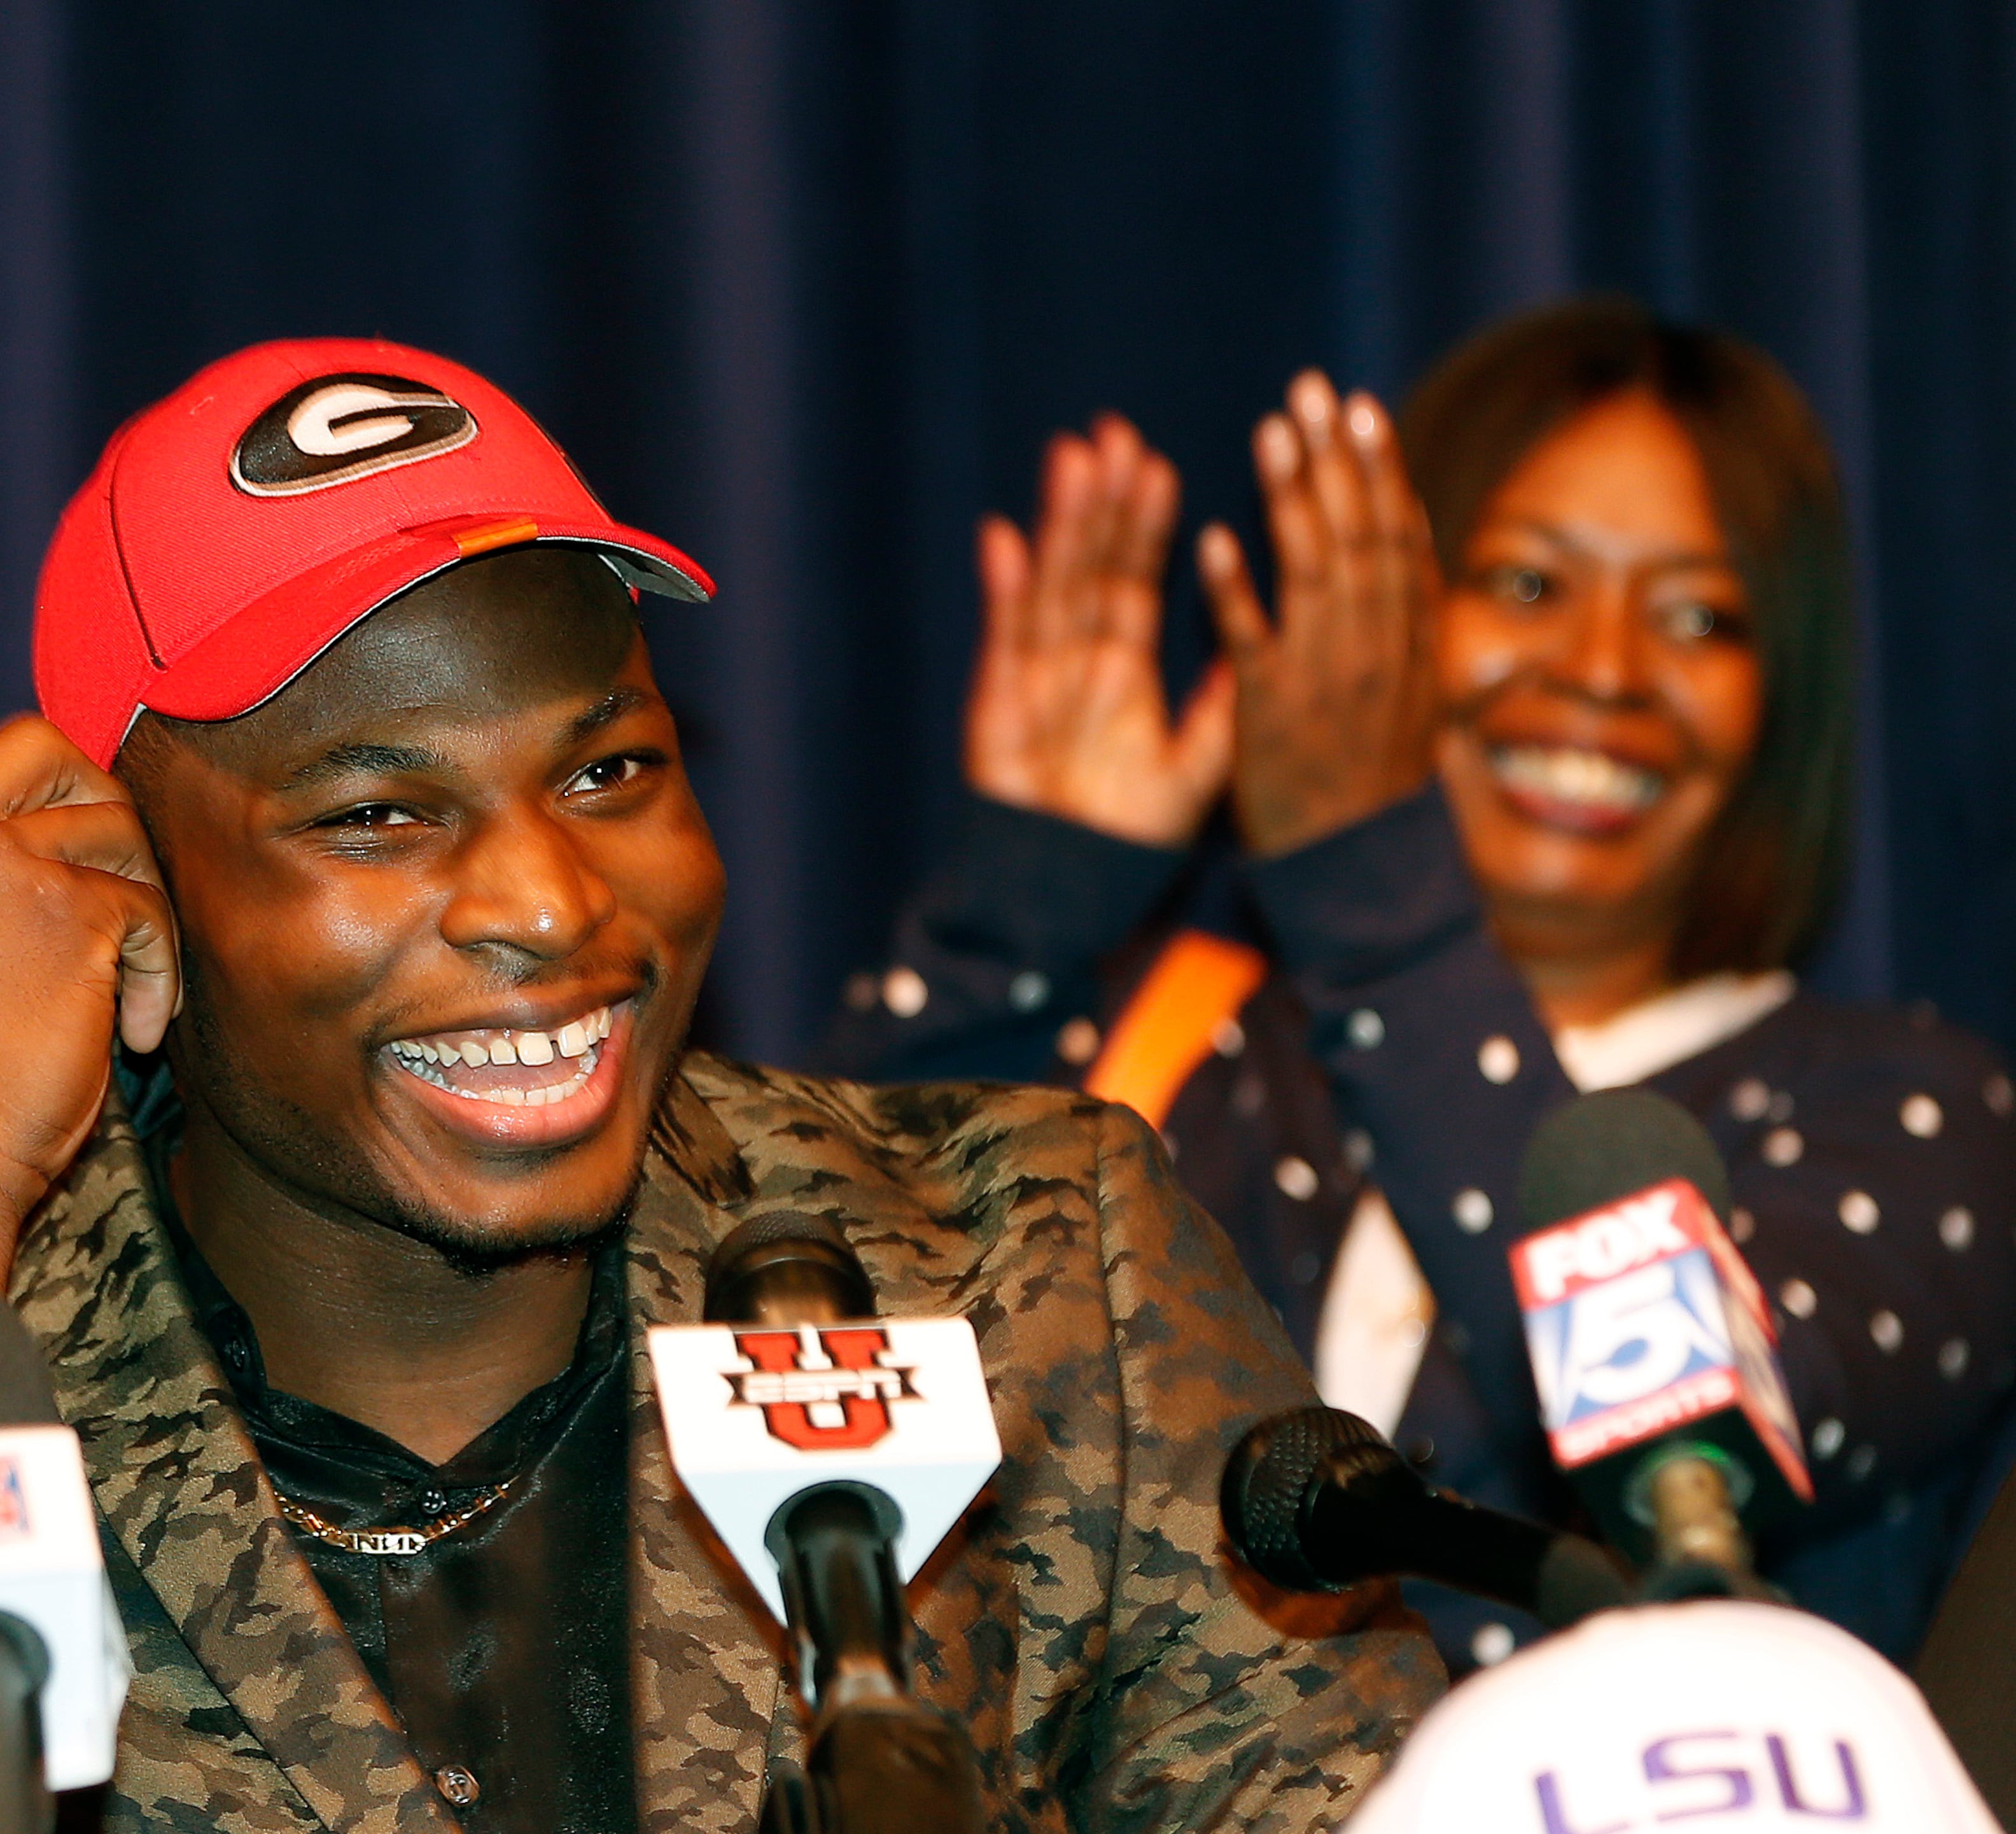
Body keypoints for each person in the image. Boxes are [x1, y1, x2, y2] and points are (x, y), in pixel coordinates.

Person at [0, 339, 1440, 1830]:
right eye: (381, 812)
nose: (555, 900)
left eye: (612, 771)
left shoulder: (1027, 1266)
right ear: (122, 893)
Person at [825, 298, 2016, 1671]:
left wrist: (1373, 896)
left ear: (1784, 702)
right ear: (1380, 623)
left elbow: (1684, 1434)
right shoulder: (1182, 1039)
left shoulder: (1915, 1107)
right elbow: (801, 1337)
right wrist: (1021, 903)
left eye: (1699, 616)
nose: (1604, 670)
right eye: (1526, 585)